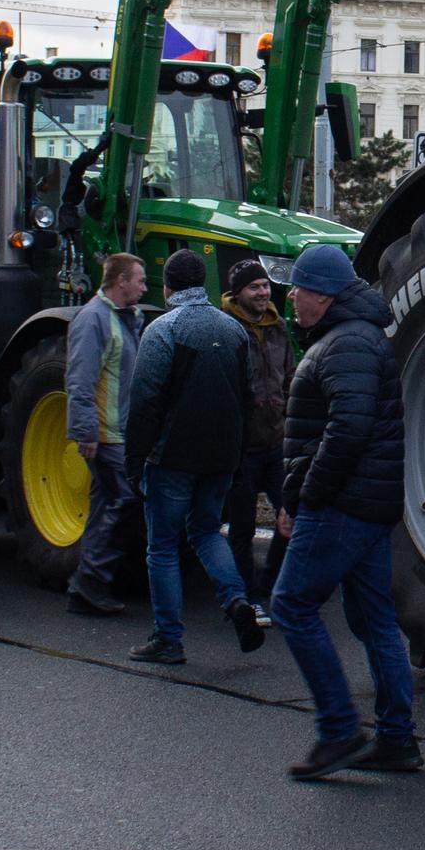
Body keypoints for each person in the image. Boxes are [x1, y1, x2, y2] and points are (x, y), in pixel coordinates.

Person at [274, 241, 418, 779]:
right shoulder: (352, 337)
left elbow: (347, 429)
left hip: (341, 505)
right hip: (365, 504)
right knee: (374, 620)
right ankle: (396, 740)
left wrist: (307, 494)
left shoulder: (348, 344)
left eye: (299, 288)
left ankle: (338, 731)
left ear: (324, 295)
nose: (291, 296)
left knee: (291, 605)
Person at [122, 248, 262, 666]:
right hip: (220, 456)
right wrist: (238, 456)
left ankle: (168, 638)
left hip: (173, 457)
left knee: (162, 547)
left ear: (168, 286)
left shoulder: (163, 331)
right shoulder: (235, 331)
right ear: (203, 284)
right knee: (205, 531)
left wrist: (135, 460)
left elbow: (145, 401)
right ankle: (237, 600)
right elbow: (248, 396)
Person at [61, 252, 149, 616]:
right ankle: (90, 580)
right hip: (106, 434)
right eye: (140, 280)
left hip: (121, 433)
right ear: (120, 281)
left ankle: (88, 583)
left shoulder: (128, 318)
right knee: (125, 502)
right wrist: (86, 432)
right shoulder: (93, 320)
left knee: (107, 505)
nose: (145, 286)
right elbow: (80, 381)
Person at [220, 256, 294, 603]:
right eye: (255, 287)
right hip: (242, 449)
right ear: (239, 293)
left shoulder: (278, 327)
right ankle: (246, 596)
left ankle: (270, 587)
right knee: (242, 529)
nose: (264, 292)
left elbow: (290, 377)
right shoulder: (227, 330)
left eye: (265, 285)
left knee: (292, 516)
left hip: (276, 443)